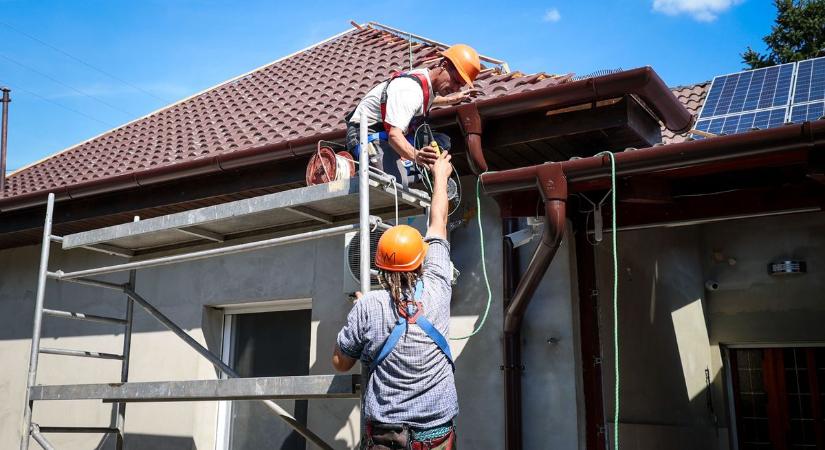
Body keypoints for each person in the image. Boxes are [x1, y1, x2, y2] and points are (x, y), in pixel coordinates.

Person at [333, 150, 458, 450]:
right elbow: (438, 222)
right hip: (436, 438)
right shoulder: (439, 286)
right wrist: (440, 176)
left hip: (387, 439)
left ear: (381, 268)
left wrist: (362, 315)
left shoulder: (369, 306)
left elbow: (340, 362)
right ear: (421, 262)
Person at [345, 44, 481, 187]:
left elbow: (424, 101)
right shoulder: (410, 90)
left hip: (386, 134)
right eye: (455, 81)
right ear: (444, 65)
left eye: (460, 86)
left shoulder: (425, 83)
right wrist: (416, 156)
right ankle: (393, 169)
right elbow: (394, 136)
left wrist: (452, 99)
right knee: (395, 183)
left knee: (442, 142)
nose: (455, 88)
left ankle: (409, 167)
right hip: (365, 135)